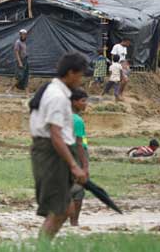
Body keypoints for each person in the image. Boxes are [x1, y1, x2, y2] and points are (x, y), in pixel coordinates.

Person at [28, 52, 88, 239]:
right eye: (80, 75)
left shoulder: (51, 90)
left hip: (52, 151)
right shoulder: (57, 97)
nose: (81, 80)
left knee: (64, 208)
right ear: (71, 73)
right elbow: (56, 135)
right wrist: (74, 166)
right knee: (60, 210)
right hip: (53, 153)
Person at [69, 87, 89, 226]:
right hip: (76, 155)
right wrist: (85, 165)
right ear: (74, 102)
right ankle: (74, 222)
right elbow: (80, 144)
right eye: (83, 101)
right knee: (78, 190)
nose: (85, 104)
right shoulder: (77, 120)